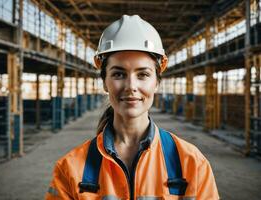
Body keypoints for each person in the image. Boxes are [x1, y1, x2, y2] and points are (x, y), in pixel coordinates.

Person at [45, 15, 219, 200]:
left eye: (143, 74)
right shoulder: (70, 169)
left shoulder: (192, 163)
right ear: (105, 83)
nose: (130, 86)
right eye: (119, 74)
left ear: (157, 83)